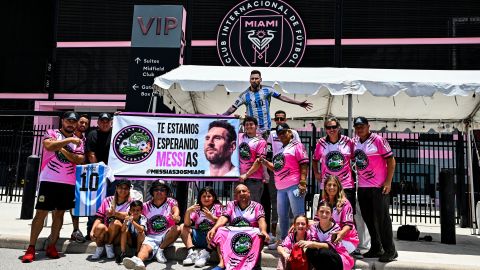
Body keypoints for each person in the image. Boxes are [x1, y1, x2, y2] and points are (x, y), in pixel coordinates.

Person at [22, 111, 84, 263]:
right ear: (62, 121)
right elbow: (49, 146)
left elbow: (79, 160)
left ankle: (51, 245)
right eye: (69, 121)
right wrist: (68, 142)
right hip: (49, 180)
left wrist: (61, 148)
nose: (71, 124)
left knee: (59, 215)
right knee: (41, 214)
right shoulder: (52, 132)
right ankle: (31, 247)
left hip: (67, 182)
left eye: (74, 122)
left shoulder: (79, 141)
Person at [353, 116, 398, 262]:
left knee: (382, 219)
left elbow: (391, 161)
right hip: (363, 186)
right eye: (357, 127)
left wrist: (388, 182)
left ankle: (390, 250)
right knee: (369, 219)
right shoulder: (355, 142)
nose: (360, 129)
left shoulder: (378, 140)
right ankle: (376, 247)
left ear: (368, 126)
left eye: (362, 126)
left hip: (379, 186)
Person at [259, 123, 308, 249]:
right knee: (282, 216)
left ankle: (299, 242)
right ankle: (283, 241)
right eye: (279, 134)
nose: (282, 135)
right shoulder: (280, 150)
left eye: (284, 132)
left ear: (290, 133)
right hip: (280, 188)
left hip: (294, 186)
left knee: (298, 216)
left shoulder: (297, 145)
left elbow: (304, 164)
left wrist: (302, 182)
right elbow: (276, 168)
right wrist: (264, 162)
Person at [223, 70, 312, 133]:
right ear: (250, 80)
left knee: (263, 154)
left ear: (260, 79)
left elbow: (282, 98)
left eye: (256, 78)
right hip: (251, 129)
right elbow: (232, 108)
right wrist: (220, 117)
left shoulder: (268, 90)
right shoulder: (244, 95)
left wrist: (299, 103)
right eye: (252, 79)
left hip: (266, 128)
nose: (254, 80)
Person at [207, 184, 270, 270]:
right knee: (220, 230)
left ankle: (251, 264)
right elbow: (224, 217)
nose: (241, 193)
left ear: (249, 193)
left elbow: (261, 220)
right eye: (238, 192)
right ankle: (222, 263)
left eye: (244, 191)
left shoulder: (257, 206)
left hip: (250, 233)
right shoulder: (231, 205)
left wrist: (264, 231)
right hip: (234, 232)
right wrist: (214, 228)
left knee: (259, 233)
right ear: (235, 195)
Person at [122, 181, 181, 269]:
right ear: (152, 192)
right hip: (151, 236)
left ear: (166, 192)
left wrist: (176, 216)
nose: (159, 192)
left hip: (166, 235)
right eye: (156, 189)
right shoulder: (145, 205)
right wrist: (115, 213)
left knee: (177, 228)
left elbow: (175, 209)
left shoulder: (171, 201)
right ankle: (139, 261)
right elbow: (129, 213)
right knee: (144, 248)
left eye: (162, 189)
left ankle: (160, 250)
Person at [264, 110, 301, 248]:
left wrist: (302, 180)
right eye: (277, 118)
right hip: (278, 176)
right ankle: (279, 238)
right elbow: (268, 153)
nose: (279, 120)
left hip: (293, 178)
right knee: (279, 208)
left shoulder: (295, 137)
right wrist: (266, 171)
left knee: (295, 210)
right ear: (274, 120)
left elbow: (301, 158)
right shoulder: (273, 136)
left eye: (282, 118)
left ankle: (296, 239)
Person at [312, 116, 356, 211]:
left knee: (348, 214)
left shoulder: (348, 141)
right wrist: (316, 173)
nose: (331, 129)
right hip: (327, 185)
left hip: (346, 184)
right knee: (327, 214)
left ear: (339, 127)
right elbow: (315, 159)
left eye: (334, 127)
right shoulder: (321, 142)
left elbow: (355, 158)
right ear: (325, 130)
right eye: (328, 127)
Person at [300, 201, 355, 270]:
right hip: (324, 259)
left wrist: (312, 243)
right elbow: (313, 242)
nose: (324, 214)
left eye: (327, 212)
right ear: (317, 213)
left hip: (339, 259)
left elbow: (329, 245)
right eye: (321, 211)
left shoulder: (336, 228)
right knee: (310, 251)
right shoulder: (314, 227)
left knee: (324, 251)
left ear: (331, 214)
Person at [179, 186, 223, 267]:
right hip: (198, 237)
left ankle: (206, 254)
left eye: (209, 196)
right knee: (182, 226)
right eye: (204, 196)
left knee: (220, 229)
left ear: (213, 198)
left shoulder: (218, 207)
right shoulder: (197, 208)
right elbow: (187, 224)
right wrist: (188, 212)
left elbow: (223, 222)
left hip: (212, 239)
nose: (206, 198)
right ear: (200, 198)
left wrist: (212, 217)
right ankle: (191, 253)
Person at [86, 112, 113, 240]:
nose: (105, 123)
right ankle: (90, 231)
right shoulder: (93, 134)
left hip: (112, 175)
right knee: (95, 204)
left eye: (107, 121)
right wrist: (100, 171)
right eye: (102, 121)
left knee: (111, 203)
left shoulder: (115, 131)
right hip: (97, 174)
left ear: (111, 122)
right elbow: (91, 154)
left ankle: (108, 231)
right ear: (98, 123)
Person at [316, 176, 359, 254]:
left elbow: (348, 225)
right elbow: (316, 221)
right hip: (328, 237)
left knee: (323, 251)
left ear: (338, 187)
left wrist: (341, 233)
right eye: (329, 185)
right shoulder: (323, 202)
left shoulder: (345, 203)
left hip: (346, 239)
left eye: (334, 185)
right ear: (325, 187)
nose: (331, 187)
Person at [90, 179, 132, 260]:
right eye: (121, 188)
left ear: (129, 190)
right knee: (99, 227)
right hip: (107, 232)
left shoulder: (131, 202)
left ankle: (109, 245)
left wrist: (114, 213)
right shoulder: (107, 200)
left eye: (126, 188)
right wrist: (92, 230)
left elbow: (128, 215)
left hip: (119, 235)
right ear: (116, 188)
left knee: (115, 222)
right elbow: (99, 217)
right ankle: (99, 248)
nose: (123, 190)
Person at [70, 114, 90, 243]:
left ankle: (75, 230)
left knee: (77, 204)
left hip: (81, 177)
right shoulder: (69, 138)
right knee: (63, 206)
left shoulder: (86, 139)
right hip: (67, 176)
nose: (83, 125)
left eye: (86, 123)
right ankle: (74, 230)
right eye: (81, 122)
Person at [238, 116, 267, 203]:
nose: (249, 126)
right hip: (238, 178)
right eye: (246, 124)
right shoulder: (239, 136)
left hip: (254, 179)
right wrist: (232, 117)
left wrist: (246, 175)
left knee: (252, 206)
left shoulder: (261, 141)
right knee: (238, 206)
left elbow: (259, 161)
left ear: (256, 126)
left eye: (251, 124)